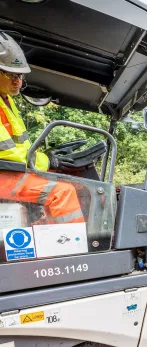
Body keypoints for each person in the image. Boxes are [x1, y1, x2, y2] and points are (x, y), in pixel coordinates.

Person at [0, 32, 84, 224]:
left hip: (7, 171)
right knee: (62, 192)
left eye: (20, 76)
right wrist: (48, 160)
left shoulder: (6, 102)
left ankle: (45, 232)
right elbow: (8, 153)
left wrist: (47, 157)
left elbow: (19, 147)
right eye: (11, 75)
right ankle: (71, 248)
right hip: (3, 172)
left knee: (63, 180)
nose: (18, 82)